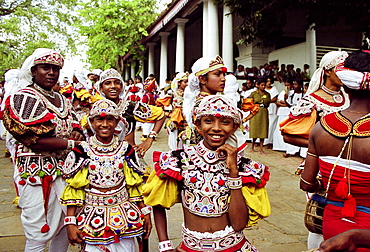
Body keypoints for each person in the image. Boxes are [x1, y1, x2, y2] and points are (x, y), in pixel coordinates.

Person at [143, 95, 271, 252]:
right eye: (208, 121)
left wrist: (234, 172)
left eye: (225, 122)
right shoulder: (179, 160)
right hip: (190, 248)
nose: (216, 128)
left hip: (234, 247)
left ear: (234, 127)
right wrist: (165, 245)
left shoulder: (244, 168)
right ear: (198, 124)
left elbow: (239, 225)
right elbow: (158, 202)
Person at [2, 48, 85, 251]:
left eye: (55, 69)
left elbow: (74, 123)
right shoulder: (24, 98)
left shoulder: (62, 99)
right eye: (45, 68)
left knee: (64, 227)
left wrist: (77, 133)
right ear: (33, 71)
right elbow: (35, 140)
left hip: (66, 172)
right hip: (38, 175)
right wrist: (72, 144)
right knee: (38, 232)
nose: (51, 73)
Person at [300, 50, 370, 251]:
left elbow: (306, 184)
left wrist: (326, 182)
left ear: (346, 88)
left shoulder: (321, 128)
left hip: (332, 222)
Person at [60, 99, 152, 252]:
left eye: (110, 119)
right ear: (91, 122)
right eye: (99, 119)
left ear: (117, 122)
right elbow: (75, 187)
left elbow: (134, 184)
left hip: (124, 214)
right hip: (92, 214)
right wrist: (70, 221)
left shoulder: (126, 149)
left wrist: (144, 211)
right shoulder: (81, 151)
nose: (104, 124)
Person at [96, 69, 165, 157]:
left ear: (122, 87)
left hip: (127, 159)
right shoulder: (94, 109)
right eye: (108, 83)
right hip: (101, 160)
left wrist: (150, 139)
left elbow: (161, 115)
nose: (113, 86)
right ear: (101, 88)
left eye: (117, 82)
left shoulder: (130, 107)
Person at [249, 78, 271, 154]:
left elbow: (268, 104)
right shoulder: (253, 94)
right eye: (262, 85)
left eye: (264, 85)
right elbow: (249, 103)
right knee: (255, 129)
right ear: (258, 85)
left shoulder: (267, 94)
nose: (263, 87)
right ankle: (252, 146)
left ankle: (261, 149)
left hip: (263, 112)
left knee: (263, 130)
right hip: (255, 112)